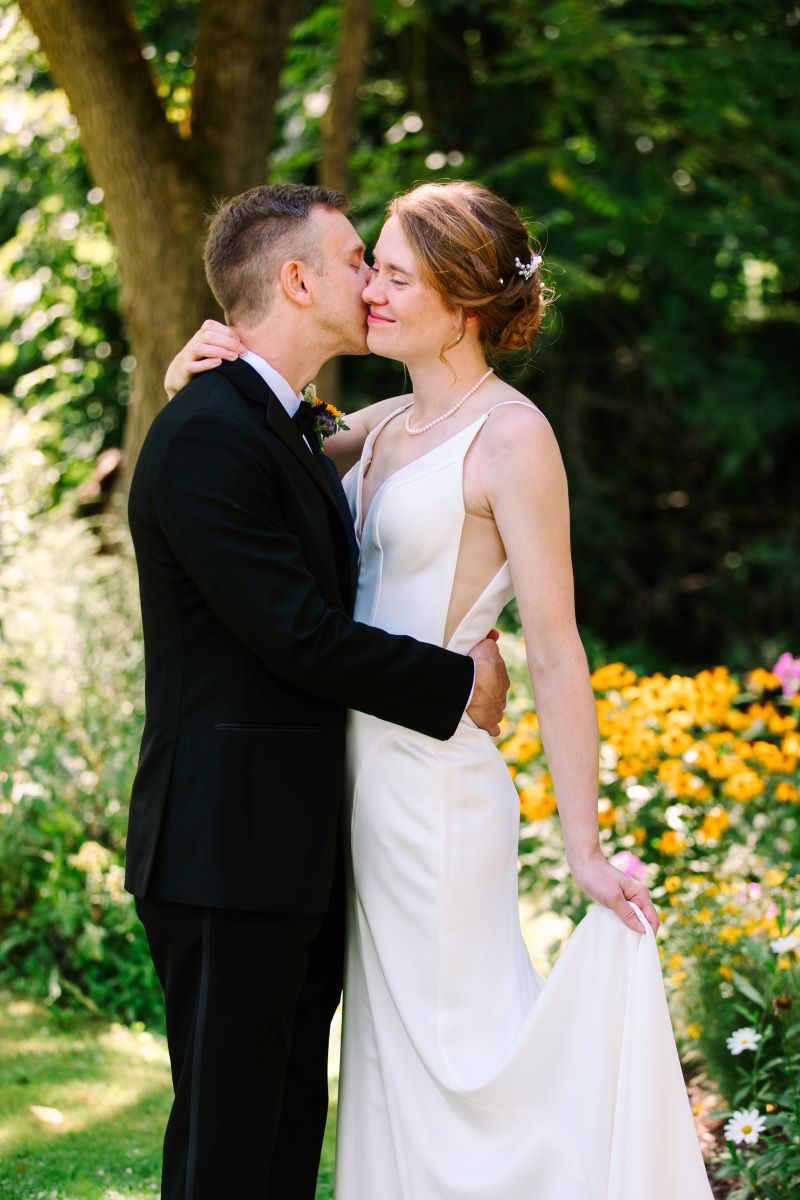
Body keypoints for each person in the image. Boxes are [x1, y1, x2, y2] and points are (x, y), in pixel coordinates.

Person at [169, 181, 714, 1198]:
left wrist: (583, 845)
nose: (369, 287)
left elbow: (551, 648)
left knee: (463, 1064)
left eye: (395, 274)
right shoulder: (377, 426)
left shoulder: (512, 438)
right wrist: (197, 379)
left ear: (463, 303)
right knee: (390, 1068)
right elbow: (249, 459)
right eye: (368, 263)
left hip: (435, 793)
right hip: (348, 786)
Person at [125, 182, 511, 1200]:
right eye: (354, 261)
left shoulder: (274, 422)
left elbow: (411, 430)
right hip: (222, 851)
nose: (372, 282)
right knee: (229, 1146)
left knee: (283, 1131)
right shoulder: (211, 433)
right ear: (295, 280)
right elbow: (296, 635)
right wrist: (456, 682)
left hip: (283, 847)